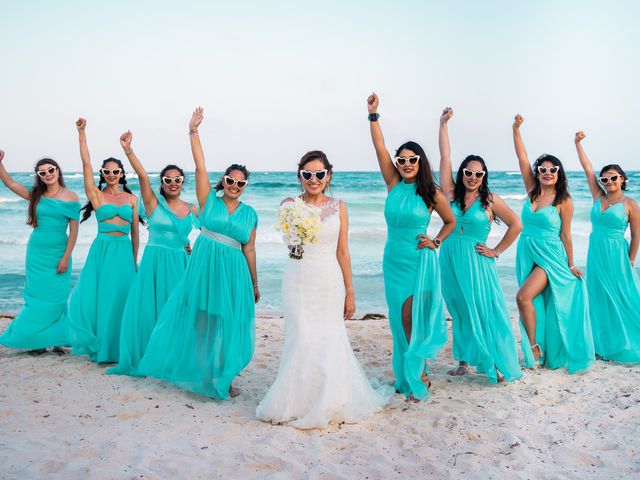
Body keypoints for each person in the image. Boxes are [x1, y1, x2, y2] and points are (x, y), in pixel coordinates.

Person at [256, 151, 393, 429]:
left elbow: (343, 251)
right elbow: (291, 247)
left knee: (329, 338)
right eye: (307, 174)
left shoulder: (340, 207)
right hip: (297, 279)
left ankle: (330, 398)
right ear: (300, 176)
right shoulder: (289, 205)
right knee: (301, 336)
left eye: (319, 174)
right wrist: (297, 238)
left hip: (329, 282)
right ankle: (296, 401)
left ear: (328, 175)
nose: (313, 179)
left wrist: (350, 290)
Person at [136, 107, 259, 399]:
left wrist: (254, 283)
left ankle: (226, 376)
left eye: (240, 183)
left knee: (231, 323)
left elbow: (250, 249)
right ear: (223, 181)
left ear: (245, 186)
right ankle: (201, 370)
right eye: (230, 180)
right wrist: (193, 131)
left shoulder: (251, 214)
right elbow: (201, 167)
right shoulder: (209, 201)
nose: (234, 185)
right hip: (204, 266)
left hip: (234, 271)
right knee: (203, 320)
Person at [367, 93, 456, 401]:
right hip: (393, 260)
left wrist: (437, 241)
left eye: (411, 160)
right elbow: (379, 148)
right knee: (398, 319)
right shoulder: (392, 183)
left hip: (419, 259)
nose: (405, 164)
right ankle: (409, 374)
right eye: (401, 160)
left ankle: (420, 373)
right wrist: (373, 115)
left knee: (411, 317)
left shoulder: (431, 192)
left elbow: (450, 222)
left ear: (421, 162)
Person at [438, 108, 523, 383]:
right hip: (449, 257)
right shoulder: (450, 192)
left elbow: (516, 225)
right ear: (461, 172)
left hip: (477, 261)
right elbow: (445, 156)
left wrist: (496, 250)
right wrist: (443, 125)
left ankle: (494, 361)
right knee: (460, 310)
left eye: (478, 174)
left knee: (485, 309)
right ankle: (463, 361)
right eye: (468, 172)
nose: (472, 177)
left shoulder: (490, 201)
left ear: (484, 176)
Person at [107, 130, 199, 376]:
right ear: (162, 182)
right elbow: (142, 176)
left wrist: (194, 249)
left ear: (182, 181)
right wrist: (128, 150)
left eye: (177, 179)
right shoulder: (152, 204)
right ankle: (150, 356)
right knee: (150, 310)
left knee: (178, 309)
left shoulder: (192, 208)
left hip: (181, 262)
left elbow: (212, 232)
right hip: (155, 262)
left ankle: (174, 356)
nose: (172, 183)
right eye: (167, 179)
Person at [512, 114, 594, 372]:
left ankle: (535, 347)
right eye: (543, 169)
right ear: (537, 174)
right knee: (539, 303)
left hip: (551, 257)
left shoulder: (564, 201)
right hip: (527, 251)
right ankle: (539, 349)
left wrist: (570, 264)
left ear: (559, 174)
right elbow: (522, 158)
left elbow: (566, 235)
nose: (547, 173)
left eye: (553, 170)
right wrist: (516, 129)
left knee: (523, 297)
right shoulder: (532, 191)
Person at [68, 118, 139, 363]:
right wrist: (82, 134)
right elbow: (86, 164)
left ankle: (121, 348)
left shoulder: (132, 199)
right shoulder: (97, 196)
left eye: (115, 171)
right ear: (103, 174)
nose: (111, 174)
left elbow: (136, 233)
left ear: (122, 174)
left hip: (123, 250)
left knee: (124, 298)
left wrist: (134, 258)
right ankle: (105, 349)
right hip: (104, 249)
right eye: (107, 171)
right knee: (106, 298)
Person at [0, 151, 79, 353]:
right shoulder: (37, 196)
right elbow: (10, 184)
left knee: (58, 298)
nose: (48, 174)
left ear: (58, 171)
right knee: (36, 297)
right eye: (42, 173)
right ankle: (38, 341)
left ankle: (57, 339)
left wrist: (66, 257)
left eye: (51, 170)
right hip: (36, 253)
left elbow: (74, 232)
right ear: (39, 176)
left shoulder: (71, 197)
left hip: (59, 253)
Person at [575, 131, 640, 362]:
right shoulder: (598, 197)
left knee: (623, 296)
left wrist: (630, 261)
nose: (609, 182)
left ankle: (629, 340)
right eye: (605, 179)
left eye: (613, 177)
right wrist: (577, 144)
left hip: (617, 255)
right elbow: (586, 167)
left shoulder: (631, 204)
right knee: (599, 298)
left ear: (622, 179)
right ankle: (602, 345)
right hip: (596, 253)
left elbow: (636, 235)